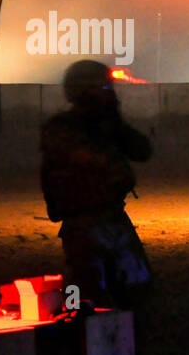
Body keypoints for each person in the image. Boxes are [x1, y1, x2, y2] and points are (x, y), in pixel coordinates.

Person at [40, 59, 153, 315]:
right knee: (89, 298)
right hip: (83, 224)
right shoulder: (62, 128)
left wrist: (115, 120)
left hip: (112, 218)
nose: (108, 93)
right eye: (103, 89)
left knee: (135, 288)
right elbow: (93, 160)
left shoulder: (106, 124)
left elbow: (142, 151)